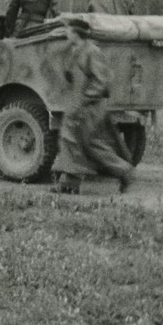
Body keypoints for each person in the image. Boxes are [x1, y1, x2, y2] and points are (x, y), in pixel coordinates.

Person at [50, 17, 134, 195]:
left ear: (75, 33)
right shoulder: (77, 50)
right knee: (72, 141)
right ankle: (70, 184)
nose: (66, 34)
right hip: (78, 103)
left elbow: (100, 81)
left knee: (86, 143)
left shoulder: (91, 51)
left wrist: (85, 99)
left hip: (90, 106)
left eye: (68, 31)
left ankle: (123, 170)